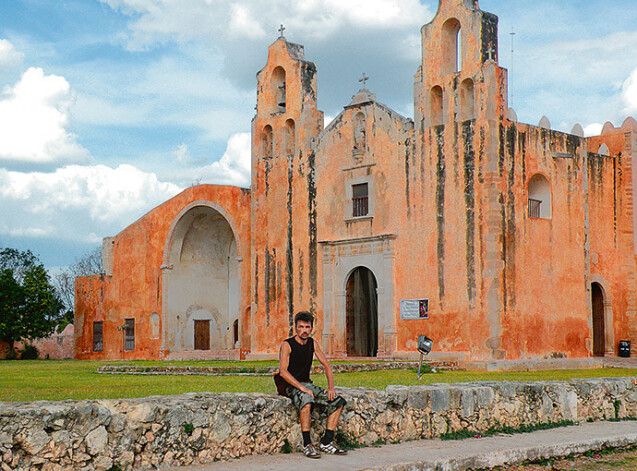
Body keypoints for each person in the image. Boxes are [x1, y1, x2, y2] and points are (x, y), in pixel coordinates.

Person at [278, 311, 348, 459]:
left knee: (338, 402)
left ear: (311, 328)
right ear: (295, 328)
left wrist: (331, 388)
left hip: (308, 385)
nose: (304, 330)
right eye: (301, 327)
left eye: (307, 327)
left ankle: (327, 441)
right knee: (306, 400)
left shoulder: (312, 343)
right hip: (292, 387)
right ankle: (307, 444)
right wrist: (302, 388)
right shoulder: (287, 345)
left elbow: (327, 366)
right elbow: (283, 372)